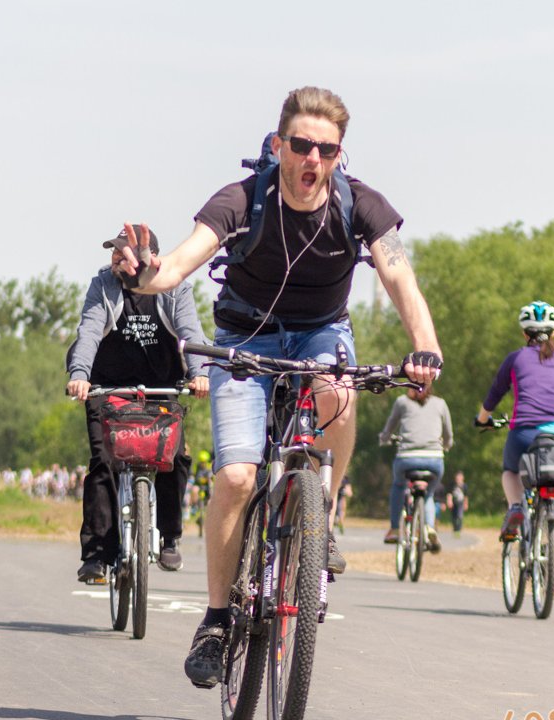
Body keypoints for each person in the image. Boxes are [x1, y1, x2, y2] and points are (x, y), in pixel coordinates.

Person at [111, 87, 442, 689]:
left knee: (336, 388)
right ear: (278, 145)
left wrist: (426, 345)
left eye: (326, 149)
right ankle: (214, 621)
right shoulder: (242, 199)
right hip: (244, 339)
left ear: (340, 155)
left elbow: (398, 273)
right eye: (301, 145)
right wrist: (142, 272)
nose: (312, 159)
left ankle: (324, 517)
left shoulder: (361, 204)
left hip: (321, 333)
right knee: (237, 477)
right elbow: (181, 263)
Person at [66, 228, 210, 582]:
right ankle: (98, 554)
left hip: (161, 389)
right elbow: (88, 331)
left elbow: (192, 333)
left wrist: (200, 374)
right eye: (114, 252)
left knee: (174, 458)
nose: (116, 258)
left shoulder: (174, 288)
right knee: (104, 462)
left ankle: (169, 538)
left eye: (123, 252)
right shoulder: (103, 286)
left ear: (146, 259)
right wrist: (80, 374)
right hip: (107, 389)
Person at [475, 301, 554, 597]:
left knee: (510, 471)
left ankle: (515, 508)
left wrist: (482, 419)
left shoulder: (515, 359)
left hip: (524, 433)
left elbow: (495, 393)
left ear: (524, 333)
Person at [379, 384, 453, 551]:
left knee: (398, 486)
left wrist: (384, 438)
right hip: (434, 460)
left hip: (407, 459)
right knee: (429, 494)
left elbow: (390, 426)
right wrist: (447, 445)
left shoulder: (401, 402)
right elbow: (448, 433)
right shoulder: (440, 403)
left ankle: (395, 529)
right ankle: (429, 527)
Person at [445, 470, 469, 537]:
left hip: (460, 503)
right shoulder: (452, 484)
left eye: (459, 477)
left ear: (462, 478)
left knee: (459, 516)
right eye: (457, 477)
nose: (458, 479)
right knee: (454, 517)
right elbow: (449, 494)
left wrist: (466, 504)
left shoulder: (464, 486)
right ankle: (455, 529)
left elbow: (466, 496)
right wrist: (449, 501)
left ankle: (459, 529)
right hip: (454, 503)